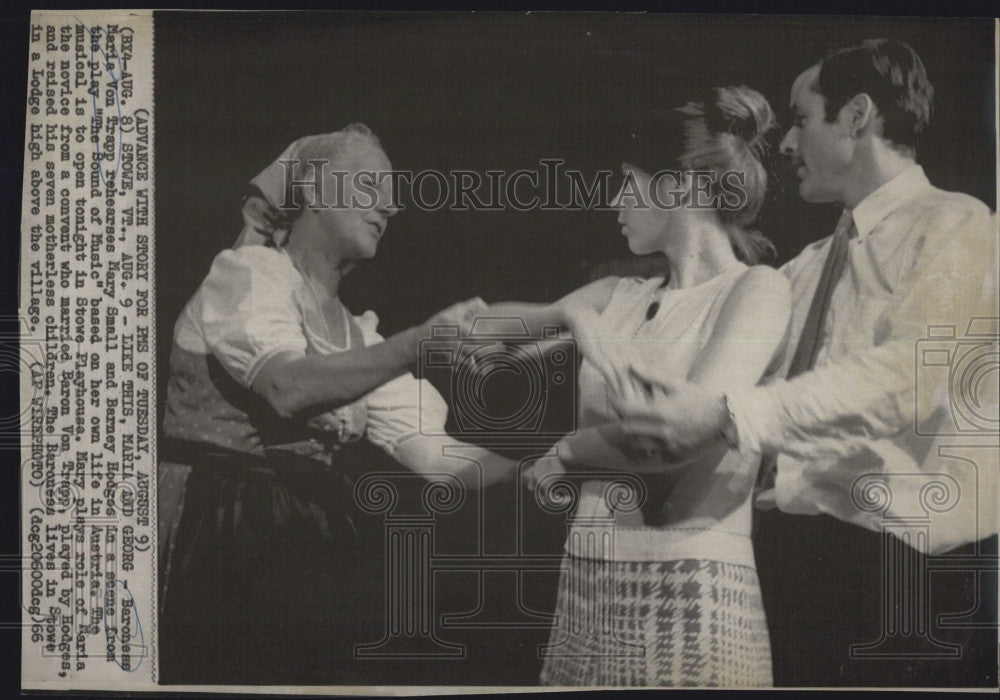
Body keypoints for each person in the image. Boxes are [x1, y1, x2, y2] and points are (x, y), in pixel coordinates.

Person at [608, 40, 998, 687]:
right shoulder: (810, 264)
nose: (785, 144)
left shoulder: (960, 226)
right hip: (801, 565)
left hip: (912, 581)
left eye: (801, 118)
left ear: (858, 117)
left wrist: (728, 414)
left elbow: (907, 377)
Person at [156, 124, 517, 685]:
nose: (390, 208)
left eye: (391, 195)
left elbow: (441, 459)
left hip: (303, 536)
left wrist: (549, 459)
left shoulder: (361, 337)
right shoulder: (247, 275)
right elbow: (287, 388)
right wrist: (419, 342)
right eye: (370, 185)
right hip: (220, 528)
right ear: (317, 192)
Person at [488, 86, 791, 686]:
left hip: (691, 597)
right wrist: (569, 316)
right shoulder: (618, 296)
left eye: (629, 183)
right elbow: (473, 333)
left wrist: (566, 453)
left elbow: (674, 437)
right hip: (587, 591)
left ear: (679, 187)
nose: (617, 203)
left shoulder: (756, 291)